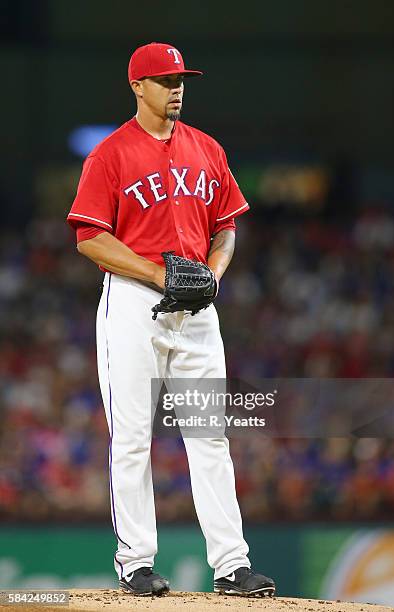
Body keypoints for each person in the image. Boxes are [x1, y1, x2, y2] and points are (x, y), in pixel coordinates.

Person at [67, 42, 275, 598]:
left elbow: (227, 225)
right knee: (132, 437)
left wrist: (214, 273)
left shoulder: (207, 149)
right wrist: (158, 276)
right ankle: (135, 563)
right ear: (138, 86)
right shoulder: (109, 155)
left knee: (211, 437)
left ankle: (232, 566)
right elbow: (90, 238)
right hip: (134, 304)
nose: (176, 87)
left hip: (199, 308)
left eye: (181, 78)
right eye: (165, 79)